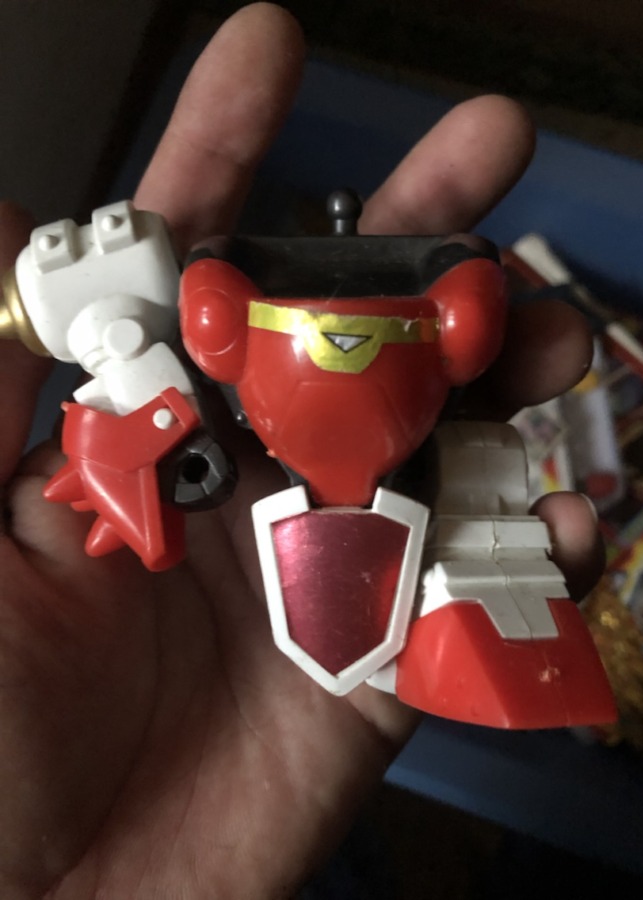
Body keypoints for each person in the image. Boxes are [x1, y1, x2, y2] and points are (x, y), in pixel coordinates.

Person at [0, 4, 604, 897]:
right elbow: (161, 404)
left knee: (476, 501)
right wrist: (145, 440)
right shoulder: (190, 349)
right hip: (274, 406)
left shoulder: (422, 376)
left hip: (376, 431)